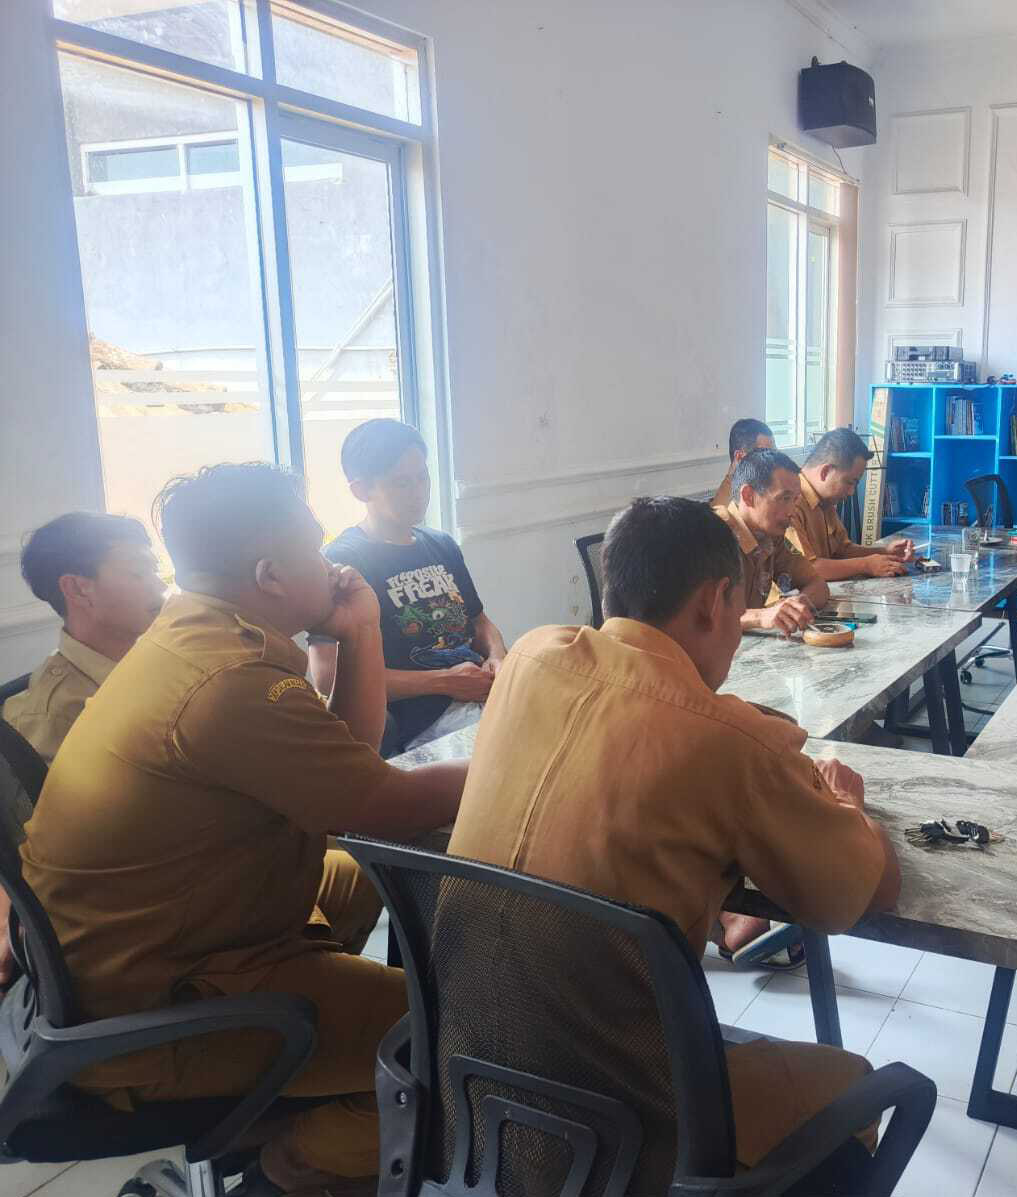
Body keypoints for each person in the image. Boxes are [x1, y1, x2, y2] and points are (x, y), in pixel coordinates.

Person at [20, 463, 467, 1194]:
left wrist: (359, 630)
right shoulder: (227, 681)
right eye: (314, 546)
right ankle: (291, 1163)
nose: (331, 561)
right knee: (457, 1037)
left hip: (138, 950)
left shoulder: (192, 633)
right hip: (155, 1009)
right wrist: (515, 759)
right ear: (270, 574)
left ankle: (322, 1078)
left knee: (369, 874)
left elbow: (348, 765)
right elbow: (387, 801)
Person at [447, 496, 900, 1183]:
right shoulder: (727, 738)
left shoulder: (531, 658)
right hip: (622, 1118)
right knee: (853, 1081)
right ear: (716, 602)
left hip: (465, 1082)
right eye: (740, 610)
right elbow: (861, 894)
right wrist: (846, 805)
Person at [308, 419, 506, 758]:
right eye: (401, 483)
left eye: (422, 477)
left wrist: (498, 657)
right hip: (424, 722)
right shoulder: (344, 561)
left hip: (483, 693)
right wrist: (444, 681)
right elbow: (326, 675)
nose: (418, 492)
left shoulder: (441, 544)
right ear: (361, 490)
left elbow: (479, 621)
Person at [3, 513, 165, 764]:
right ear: (78, 589)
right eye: (138, 572)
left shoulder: (156, 658)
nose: (160, 585)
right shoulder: (54, 720)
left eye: (154, 570)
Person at [716, 448, 830, 634]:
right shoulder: (713, 535)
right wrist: (760, 616)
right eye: (784, 498)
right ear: (748, 496)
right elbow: (701, 619)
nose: (792, 511)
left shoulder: (771, 537)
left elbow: (818, 585)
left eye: (794, 500)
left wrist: (798, 604)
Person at [787, 427, 915, 580]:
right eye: (849, 482)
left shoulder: (825, 500)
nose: (851, 492)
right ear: (825, 472)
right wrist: (866, 565)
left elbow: (842, 550)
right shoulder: (790, 503)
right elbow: (807, 569)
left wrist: (885, 552)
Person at [711, 417, 777, 508]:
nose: (774, 461)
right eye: (765, 454)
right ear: (740, 458)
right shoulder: (725, 510)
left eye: (775, 453)